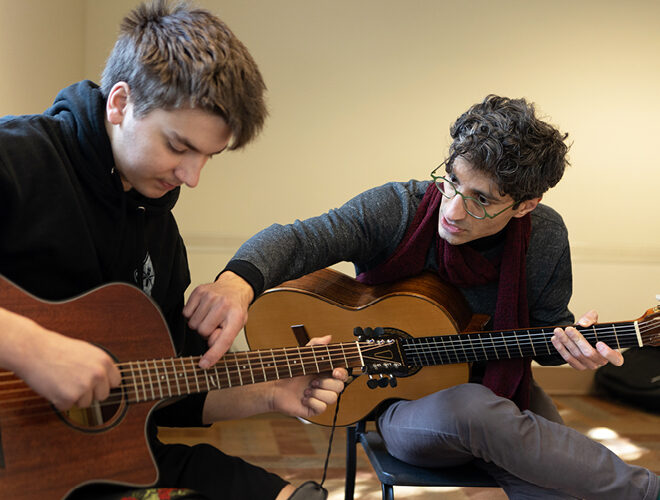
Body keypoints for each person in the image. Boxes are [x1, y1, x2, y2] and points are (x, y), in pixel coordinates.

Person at [196, 95, 660, 499]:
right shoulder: (397, 208)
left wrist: (575, 347)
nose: (453, 210)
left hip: (506, 388)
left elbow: (547, 333)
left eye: (481, 200)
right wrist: (236, 282)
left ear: (524, 205)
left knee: (556, 480)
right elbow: (296, 240)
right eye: (452, 182)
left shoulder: (545, 236)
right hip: (400, 410)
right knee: (478, 412)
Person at [0, 1, 346, 499]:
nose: (192, 177)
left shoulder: (157, 231)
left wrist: (273, 391)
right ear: (119, 104)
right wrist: (32, 348)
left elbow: (164, 392)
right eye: (179, 147)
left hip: (96, 461)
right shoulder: (20, 158)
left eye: (208, 156)